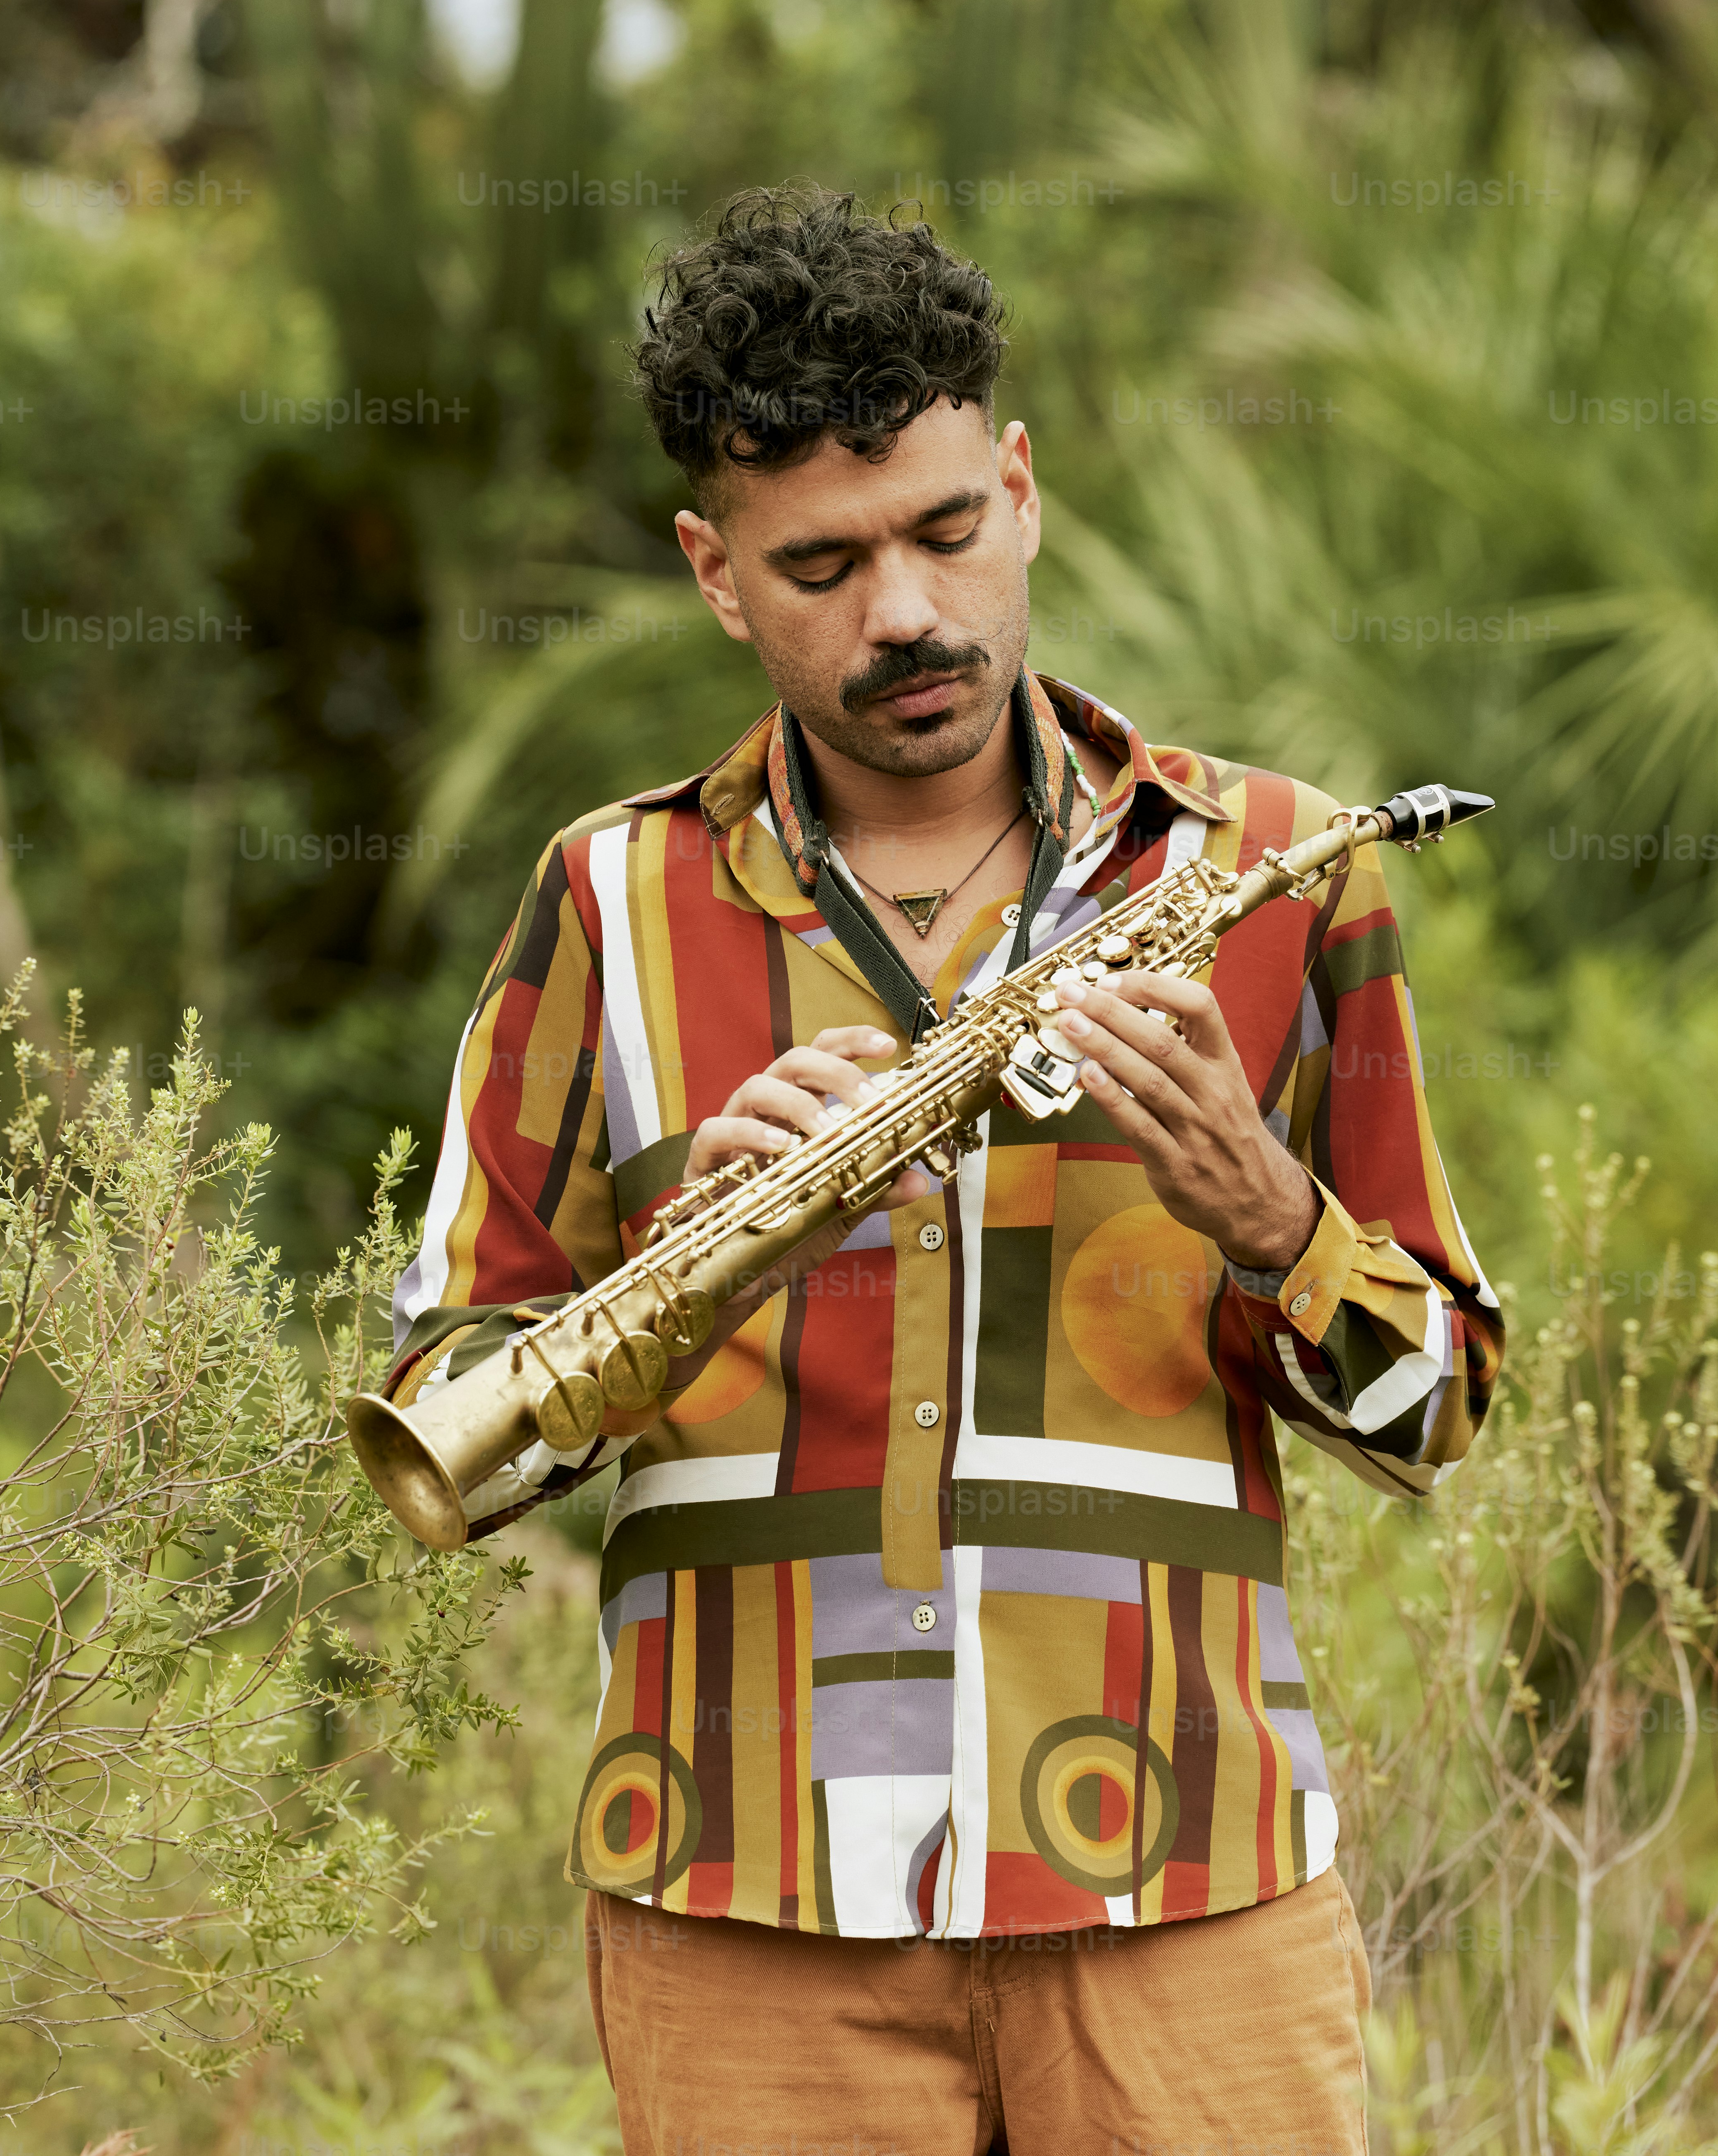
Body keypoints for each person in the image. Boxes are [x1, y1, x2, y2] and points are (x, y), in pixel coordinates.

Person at [386, 187, 1503, 2156]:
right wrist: (676, 1273)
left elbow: (1442, 1414)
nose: (903, 611)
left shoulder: (1278, 870)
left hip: (1192, 1887)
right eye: (819, 562)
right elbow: (438, 1416)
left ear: (1020, 486)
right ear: (715, 574)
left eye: (943, 532)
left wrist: (1271, 1220)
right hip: (740, 1906)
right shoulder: (606, 899)